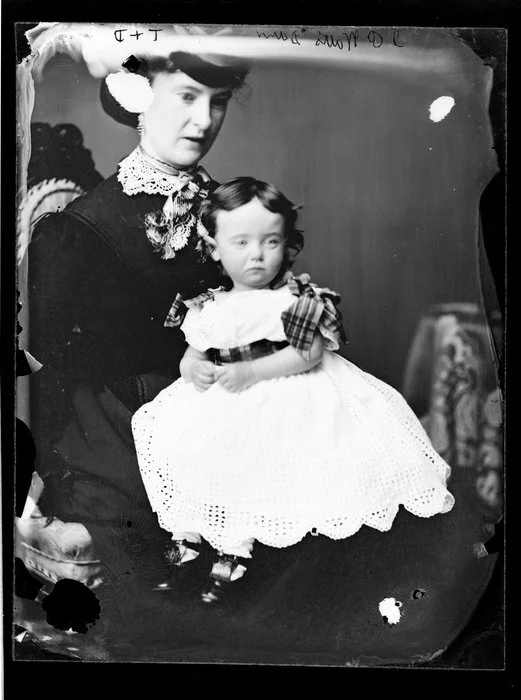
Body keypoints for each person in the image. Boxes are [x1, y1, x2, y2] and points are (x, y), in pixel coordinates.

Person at [131, 177, 455, 604]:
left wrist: (251, 373)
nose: (256, 255)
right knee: (203, 455)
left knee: (277, 462)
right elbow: (192, 354)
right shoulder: (207, 305)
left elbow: (310, 354)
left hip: (290, 394)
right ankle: (192, 543)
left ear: (288, 246)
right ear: (215, 249)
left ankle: (237, 552)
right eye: (241, 242)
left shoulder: (295, 298)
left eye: (270, 241)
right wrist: (194, 371)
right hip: (225, 399)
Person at [27, 46, 250, 593]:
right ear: (138, 98)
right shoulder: (79, 230)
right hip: (119, 437)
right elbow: (53, 376)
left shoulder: (237, 212)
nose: (204, 120)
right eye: (187, 97)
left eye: (218, 102)